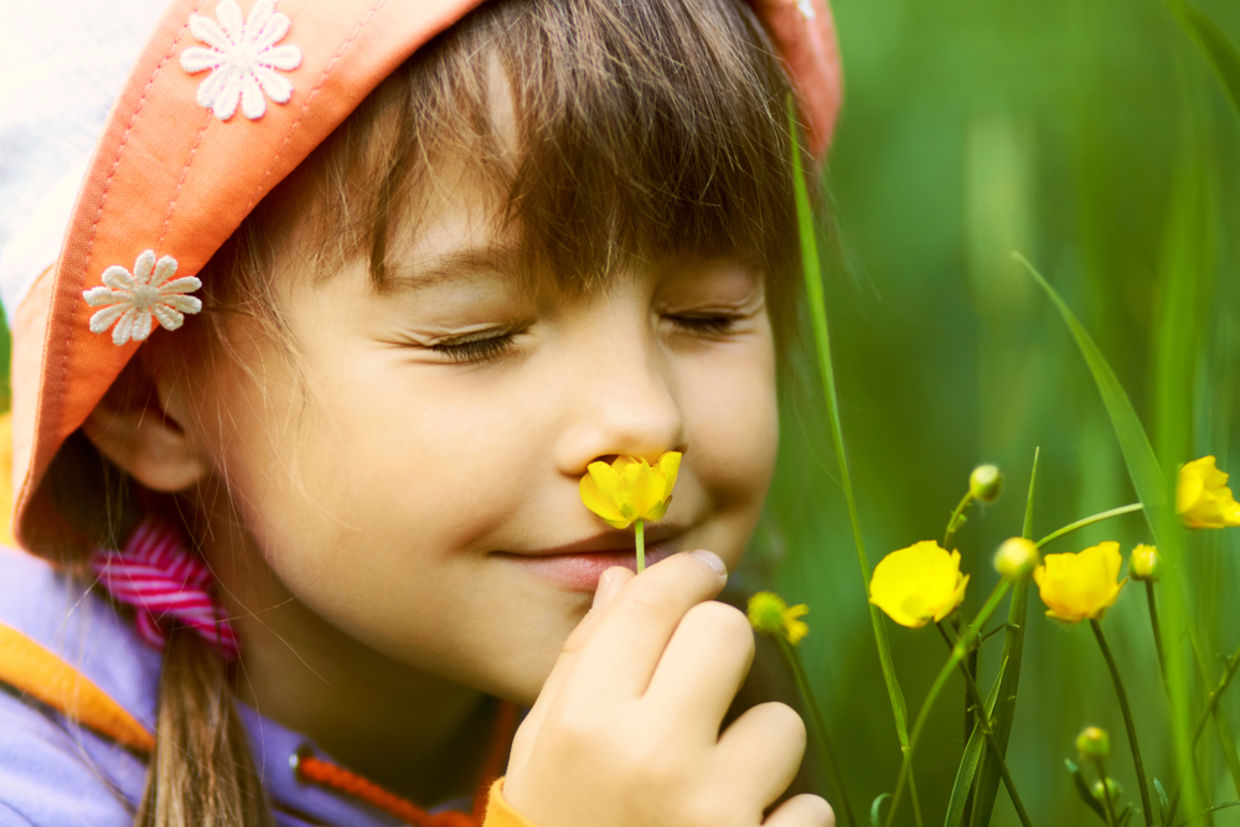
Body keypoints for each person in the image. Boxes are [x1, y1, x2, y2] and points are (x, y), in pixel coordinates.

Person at [0, 0, 842, 823]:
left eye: (709, 315)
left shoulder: (714, 738)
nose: (646, 422)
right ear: (152, 405)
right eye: (477, 337)